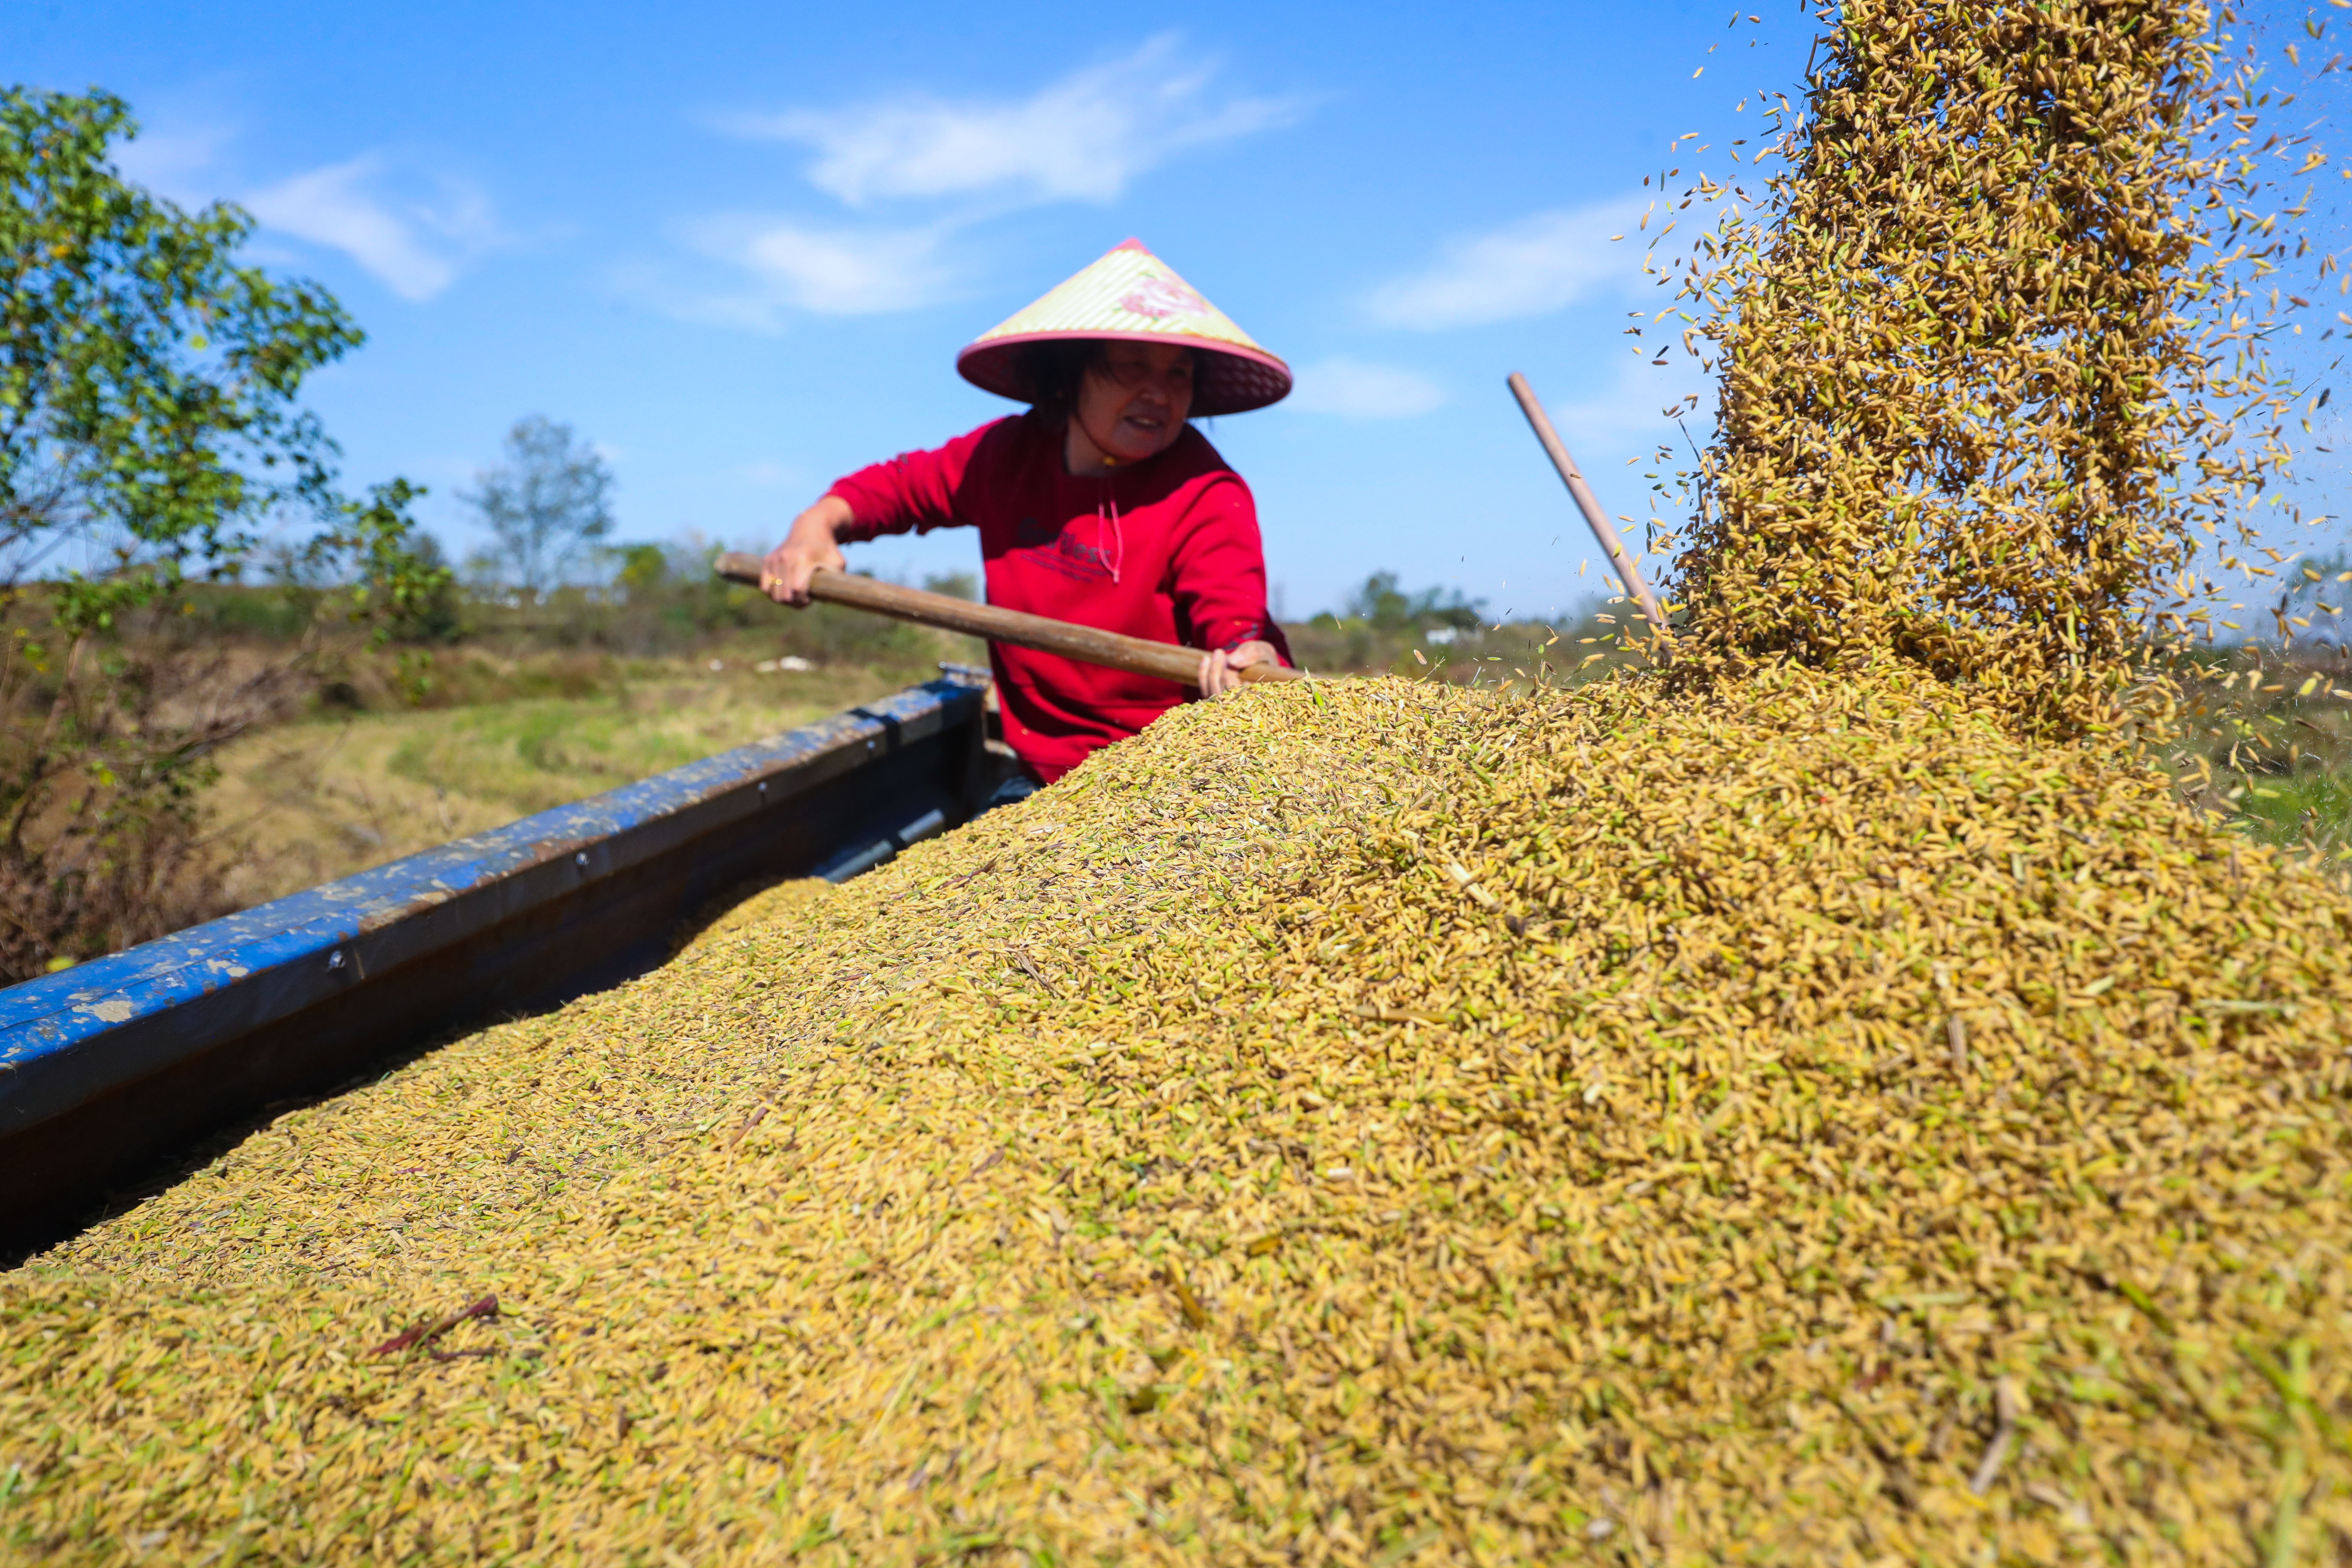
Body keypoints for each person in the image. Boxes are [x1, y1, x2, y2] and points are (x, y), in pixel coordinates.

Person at [762, 239, 1293, 795]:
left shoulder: (1206, 492)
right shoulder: (1007, 457)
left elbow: (1235, 615)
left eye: (1179, 375)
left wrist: (1247, 653)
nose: (1158, 393)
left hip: (1164, 786)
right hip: (1041, 780)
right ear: (1070, 377)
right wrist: (815, 525)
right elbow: (896, 488)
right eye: (1132, 367)